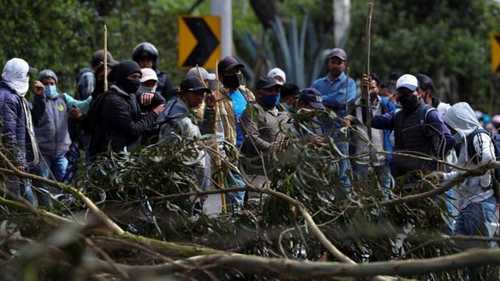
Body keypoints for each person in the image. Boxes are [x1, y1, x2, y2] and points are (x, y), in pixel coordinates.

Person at [440, 102, 498, 279]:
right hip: (467, 203)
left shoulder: (479, 136)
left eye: (452, 125)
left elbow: (488, 159)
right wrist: (442, 177)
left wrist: (477, 174)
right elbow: (461, 172)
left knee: (475, 252)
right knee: (462, 245)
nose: (451, 130)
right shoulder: (464, 142)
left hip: (480, 202)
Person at [372, 74, 454, 178]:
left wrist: (434, 162)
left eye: (408, 92)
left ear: (418, 93)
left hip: (425, 178)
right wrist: (368, 97)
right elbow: (371, 121)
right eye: (401, 93)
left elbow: (448, 140)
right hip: (401, 177)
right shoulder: (397, 116)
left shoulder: (429, 114)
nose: (405, 96)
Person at [87, 61, 164, 159]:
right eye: (133, 77)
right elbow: (133, 130)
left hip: (122, 153)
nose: (137, 81)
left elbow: (161, 101)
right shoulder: (113, 101)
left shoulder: (130, 95)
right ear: (122, 78)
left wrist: (153, 95)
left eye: (139, 77)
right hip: (107, 158)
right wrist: (154, 113)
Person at [312, 48, 357, 195]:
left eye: (339, 62)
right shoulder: (318, 83)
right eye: (333, 61)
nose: (336, 65)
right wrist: (327, 100)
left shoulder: (349, 83)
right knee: (321, 170)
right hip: (319, 133)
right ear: (328, 63)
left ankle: (345, 203)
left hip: (340, 135)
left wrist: (321, 99)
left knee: (342, 171)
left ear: (344, 65)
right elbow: (310, 100)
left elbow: (342, 100)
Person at [0, 58, 39, 205]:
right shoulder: (7, 98)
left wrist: (40, 99)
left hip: (19, 159)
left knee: (22, 198)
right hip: (13, 162)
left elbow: (35, 118)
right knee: (22, 201)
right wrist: (17, 160)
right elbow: (8, 133)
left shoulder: (16, 96)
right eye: (26, 74)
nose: (28, 78)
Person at [350, 73, 395, 198]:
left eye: (373, 87)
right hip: (361, 156)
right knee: (362, 193)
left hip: (382, 156)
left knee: (384, 192)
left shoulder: (386, 104)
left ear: (379, 88)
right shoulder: (355, 105)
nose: (370, 91)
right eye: (366, 88)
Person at [240, 76, 291, 171]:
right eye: (270, 90)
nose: (275, 93)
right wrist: (272, 148)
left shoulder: (284, 113)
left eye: (277, 90)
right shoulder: (253, 110)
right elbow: (251, 137)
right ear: (259, 93)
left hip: (281, 168)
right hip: (259, 169)